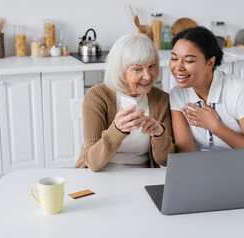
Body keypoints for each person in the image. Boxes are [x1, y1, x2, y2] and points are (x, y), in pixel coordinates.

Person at [75, 34, 175, 171]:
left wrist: (159, 133)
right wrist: (117, 129)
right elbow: (93, 163)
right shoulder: (97, 96)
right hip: (100, 175)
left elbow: (165, 161)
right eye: (137, 69)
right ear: (120, 71)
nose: (147, 76)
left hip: (142, 176)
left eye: (152, 66)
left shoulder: (161, 99)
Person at [169, 27, 244, 152]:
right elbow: (186, 151)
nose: (178, 67)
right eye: (174, 58)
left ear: (210, 63)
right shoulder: (177, 95)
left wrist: (215, 127)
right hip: (200, 167)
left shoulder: (240, 92)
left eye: (189, 60)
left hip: (241, 166)